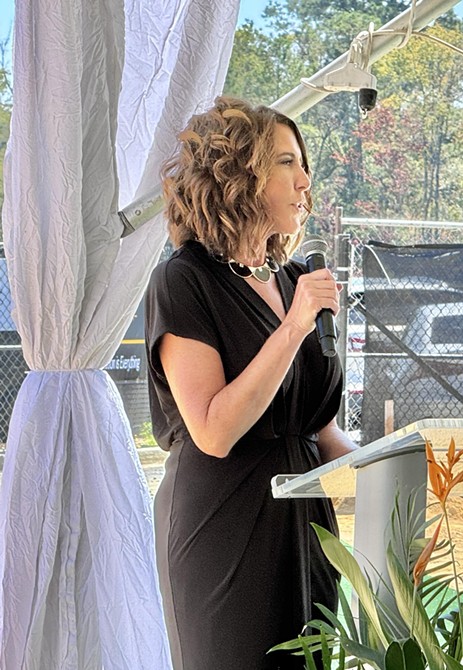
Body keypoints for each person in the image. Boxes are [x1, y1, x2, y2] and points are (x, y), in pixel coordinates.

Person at [145, 95, 358, 670]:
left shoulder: (294, 281)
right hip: (226, 532)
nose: (305, 179)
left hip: (306, 531)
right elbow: (213, 430)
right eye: (287, 162)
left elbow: (323, 432)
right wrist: (293, 327)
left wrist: (401, 476)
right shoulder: (184, 282)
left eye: (303, 162)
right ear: (239, 174)